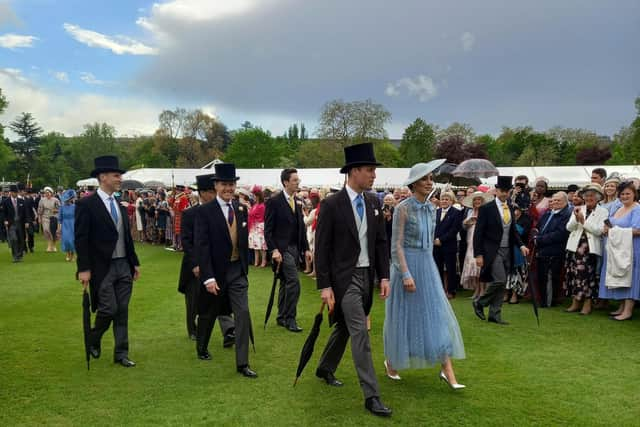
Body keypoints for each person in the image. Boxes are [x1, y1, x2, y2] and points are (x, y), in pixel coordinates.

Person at [314, 143, 392, 417]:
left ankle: (325, 367)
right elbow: (321, 248)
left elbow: (381, 242)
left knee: (346, 328)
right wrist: (324, 285)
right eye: (370, 170)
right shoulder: (332, 204)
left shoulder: (373, 202)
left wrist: (384, 275)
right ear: (354, 171)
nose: (373, 176)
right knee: (360, 332)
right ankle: (372, 396)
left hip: (367, 276)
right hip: (343, 280)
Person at [383, 161, 465, 389]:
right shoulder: (402, 208)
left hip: (427, 266)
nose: (430, 182)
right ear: (414, 184)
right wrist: (406, 273)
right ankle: (391, 361)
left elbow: (429, 244)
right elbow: (396, 246)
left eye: (431, 178)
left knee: (436, 316)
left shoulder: (431, 208)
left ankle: (447, 370)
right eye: (425, 179)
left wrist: (429, 269)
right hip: (406, 266)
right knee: (404, 316)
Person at [75, 156, 141, 368]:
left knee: (122, 310)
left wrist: (135, 263)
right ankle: (94, 337)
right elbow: (81, 238)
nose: (120, 178)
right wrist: (83, 269)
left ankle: (121, 353)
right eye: (116, 175)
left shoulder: (120, 206)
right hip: (101, 266)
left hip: (123, 264)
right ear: (103, 177)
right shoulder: (86, 204)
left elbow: (127, 238)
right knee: (108, 309)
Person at [194, 163, 256, 378]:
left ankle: (242, 363)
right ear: (216, 185)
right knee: (210, 312)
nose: (228, 188)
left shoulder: (240, 209)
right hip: (216, 273)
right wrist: (208, 277)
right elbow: (202, 246)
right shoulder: (205, 212)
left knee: (243, 313)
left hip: (237, 271)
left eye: (231, 184)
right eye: (224, 184)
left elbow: (243, 242)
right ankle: (201, 346)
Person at [178, 174, 235, 345]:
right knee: (194, 300)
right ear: (202, 193)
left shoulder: (223, 210)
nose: (214, 194)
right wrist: (195, 263)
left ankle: (229, 330)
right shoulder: (189, 213)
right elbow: (187, 242)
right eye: (210, 191)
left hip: (217, 264)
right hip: (195, 265)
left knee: (221, 296)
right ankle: (192, 328)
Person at [472, 176, 529, 325]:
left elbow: (513, 231)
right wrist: (478, 254)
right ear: (496, 191)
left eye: (507, 191)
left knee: (502, 284)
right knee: (500, 279)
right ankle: (480, 302)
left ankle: (494, 314)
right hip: (492, 250)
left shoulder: (510, 207)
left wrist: (521, 245)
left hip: (507, 249)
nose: (504, 194)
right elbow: (478, 233)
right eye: (502, 191)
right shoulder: (486, 208)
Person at [264, 168, 312, 333]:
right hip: (281, 249)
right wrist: (274, 250)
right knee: (293, 282)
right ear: (285, 182)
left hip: (295, 249)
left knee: (285, 282)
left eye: (298, 180)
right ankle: (290, 318)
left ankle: (281, 317)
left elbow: (301, 228)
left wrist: (306, 249)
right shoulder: (273, 201)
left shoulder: (298, 201)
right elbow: (268, 230)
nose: (298, 182)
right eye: (294, 180)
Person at [564, 184, 608, 315]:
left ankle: (587, 303)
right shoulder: (578, 208)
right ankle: (576, 302)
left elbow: (599, 231)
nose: (589, 198)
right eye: (587, 195)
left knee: (587, 276)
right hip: (574, 247)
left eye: (592, 196)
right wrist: (576, 219)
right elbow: (568, 228)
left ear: (598, 197)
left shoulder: (603, 211)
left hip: (589, 249)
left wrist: (584, 222)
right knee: (574, 274)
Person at [599, 181, 640, 321]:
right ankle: (622, 306)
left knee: (630, 277)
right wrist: (606, 229)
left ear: (634, 194)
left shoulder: (637, 209)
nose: (624, 196)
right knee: (620, 276)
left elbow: (638, 230)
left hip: (631, 249)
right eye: (622, 194)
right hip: (616, 249)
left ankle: (628, 310)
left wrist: (613, 231)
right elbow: (610, 223)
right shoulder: (619, 208)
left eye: (628, 193)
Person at [534, 192, 571, 307]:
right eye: (553, 200)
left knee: (551, 277)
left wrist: (540, 240)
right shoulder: (548, 213)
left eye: (558, 200)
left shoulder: (566, 215)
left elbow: (561, 234)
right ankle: (543, 301)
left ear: (565, 202)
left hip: (555, 251)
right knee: (542, 277)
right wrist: (535, 236)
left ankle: (549, 302)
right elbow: (537, 227)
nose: (555, 202)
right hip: (542, 250)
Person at [461, 191, 494, 300]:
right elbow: (464, 226)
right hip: (470, 242)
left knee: (480, 267)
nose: (477, 201)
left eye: (479, 199)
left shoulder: (487, 212)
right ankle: (477, 290)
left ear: (482, 201)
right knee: (473, 266)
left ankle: (483, 291)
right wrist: (469, 221)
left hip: (481, 242)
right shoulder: (470, 211)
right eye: (475, 200)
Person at [433, 191, 463, 299]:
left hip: (449, 245)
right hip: (435, 246)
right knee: (437, 268)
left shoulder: (456, 212)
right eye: (442, 199)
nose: (444, 201)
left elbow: (454, 230)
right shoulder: (436, 212)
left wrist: (441, 239)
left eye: (447, 199)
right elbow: (433, 227)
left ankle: (451, 290)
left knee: (450, 269)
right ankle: (439, 290)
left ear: (451, 201)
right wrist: (434, 239)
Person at [505, 202, 532, 304]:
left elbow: (522, 233)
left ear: (520, 210)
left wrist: (512, 226)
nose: (513, 211)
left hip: (518, 249)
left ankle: (515, 294)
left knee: (517, 272)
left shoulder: (526, 220)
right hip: (507, 248)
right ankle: (506, 292)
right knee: (507, 272)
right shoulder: (506, 218)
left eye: (515, 209)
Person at [1, 184, 31, 262]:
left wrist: (27, 221)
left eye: (16, 192)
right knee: (14, 239)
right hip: (11, 224)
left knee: (21, 239)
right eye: (14, 192)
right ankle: (15, 256)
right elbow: (3, 212)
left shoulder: (22, 201)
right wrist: (5, 220)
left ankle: (20, 256)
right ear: (11, 192)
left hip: (20, 223)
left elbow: (26, 213)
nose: (16, 194)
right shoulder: (5, 202)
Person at [248, 190, 267, 268]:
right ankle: (256, 262)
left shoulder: (262, 206)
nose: (254, 197)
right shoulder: (255, 205)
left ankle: (263, 261)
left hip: (260, 226)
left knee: (262, 246)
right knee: (255, 245)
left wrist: (249, 208)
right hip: (254, 226)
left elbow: (261, 216)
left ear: (258, 196)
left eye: (255, 196)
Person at [38, 186, 61, 252]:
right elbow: (40, 210)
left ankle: (53, 245)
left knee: (53, 232)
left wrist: (56, 210)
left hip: (54, 217)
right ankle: (49, 245)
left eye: (48, 192)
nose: (47, 194)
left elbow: (60, 209)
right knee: (46, 230)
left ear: (51, 193)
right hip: (45, 217)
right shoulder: (42, 200)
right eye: (46, 193)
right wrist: (39, 218)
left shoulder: (55, 200)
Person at [59, 189, 76, 262]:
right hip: (65, 225)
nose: (68, 201)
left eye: (69, 199)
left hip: (73, 224)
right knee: (66, 240)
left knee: (72, 240)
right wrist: (58, 228)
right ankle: (68, 253)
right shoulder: (62, 207)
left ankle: (73, 255)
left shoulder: (75, 206)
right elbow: (60, 219)